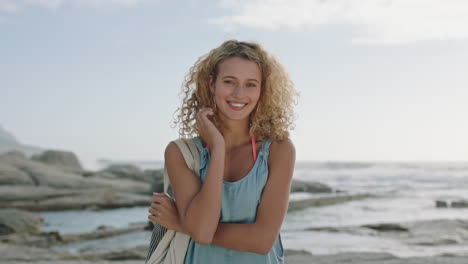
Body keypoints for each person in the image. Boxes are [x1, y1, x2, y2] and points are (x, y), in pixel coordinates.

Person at [148, 40, 297, 263]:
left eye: (250, 84)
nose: (239, 93)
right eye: (229, 81)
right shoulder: (181, 153)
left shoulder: (278, 149)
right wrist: (217, 150)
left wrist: (181, 223)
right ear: (212, 84)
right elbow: (201, 230)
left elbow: (262, 240)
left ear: (262, 90)